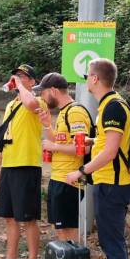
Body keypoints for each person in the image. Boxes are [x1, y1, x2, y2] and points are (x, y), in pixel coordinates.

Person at [66, 58, 130, 259]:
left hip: (114, 185)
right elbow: (108, 142)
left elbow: (111, 151)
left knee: (114, 245)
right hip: (110, 183)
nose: (86, 80)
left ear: (95, 78)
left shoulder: (113, 107)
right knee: (112, 243)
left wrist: (82, 171)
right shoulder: (109, 104)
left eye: (88, 76)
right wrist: (92, 140)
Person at [0, 64, 48, 259]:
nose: (18, 79)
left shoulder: (35, 101)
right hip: (10, 165)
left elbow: (31, 103)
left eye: (23, 77)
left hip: (27, 164)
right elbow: (6, 135)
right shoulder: (11, 104)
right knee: (10, 216)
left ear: (32, 81)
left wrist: (22, 86)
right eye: (16, 76)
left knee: (28, 217)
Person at [35, 72, 93, 242]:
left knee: (68, 230)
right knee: (60, 230)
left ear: (53, 90)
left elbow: (83, 148)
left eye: (43, 93)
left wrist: (54, 146)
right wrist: (47, 126)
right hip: (58, 178)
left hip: (69, 180)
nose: (42, 98)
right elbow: (61, 141)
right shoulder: (63, 112)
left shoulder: (75, 112)